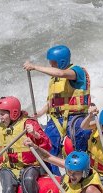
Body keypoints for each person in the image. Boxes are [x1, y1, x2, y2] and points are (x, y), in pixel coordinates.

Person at [23, 45, 92, 175]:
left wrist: (35, 67)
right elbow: (53, 102)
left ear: (61, 61)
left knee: (80, 138)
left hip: (75, 116)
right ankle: (55, 178)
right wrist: (40, 113)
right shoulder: (55, 78)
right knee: (46, 145)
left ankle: (84, 173)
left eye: (52, 63)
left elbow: (62, 73)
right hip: (56, 119)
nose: (50, 65)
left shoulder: (76, 71)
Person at [0, 96, 51, 193]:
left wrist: (34, 134)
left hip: (30, 166)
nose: (0, 117)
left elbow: (46, 145)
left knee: (28, 180)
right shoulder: (1, 127)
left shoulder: (29, 123)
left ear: (14, 112)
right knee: (7, 188)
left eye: (3, 114)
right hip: (8, 167)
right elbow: (0, 149)